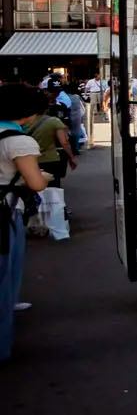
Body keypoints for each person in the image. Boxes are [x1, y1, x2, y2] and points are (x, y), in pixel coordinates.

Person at [2, 83, 53, 361]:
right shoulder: (20, 141)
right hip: (5, 213)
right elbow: (35, 183)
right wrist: (43, 177)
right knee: (6, 272)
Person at [26, 104, 76, 187]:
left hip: (29, 160)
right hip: (50, 160)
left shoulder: (25, 122)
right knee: (52, 189)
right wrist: (71, 157)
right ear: (46, 109)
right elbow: (64, 142)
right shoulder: (54, 121)